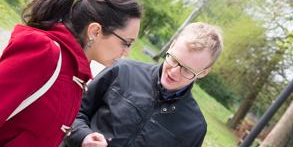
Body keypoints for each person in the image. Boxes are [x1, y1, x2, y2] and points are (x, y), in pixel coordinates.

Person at [0, 0, 142, 146]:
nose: (127, 52)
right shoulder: (45, 51)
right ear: (95, 32)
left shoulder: (78, 69)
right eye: (125, 43)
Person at [64, 22, 223, 147]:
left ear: (203, 73)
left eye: (187, 70)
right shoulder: (122, 70)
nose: (174, 72)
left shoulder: (195, 127)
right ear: (172, 45)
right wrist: (83, 136)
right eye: (174, 59)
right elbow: (72, 110)